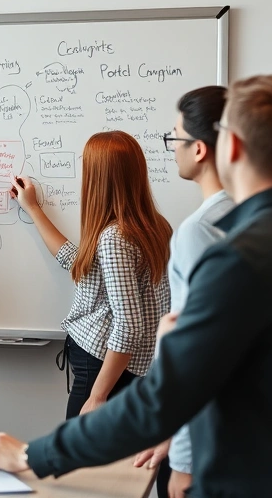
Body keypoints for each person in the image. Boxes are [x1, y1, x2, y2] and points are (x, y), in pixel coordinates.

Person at [0, 74, 272, 498]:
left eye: (176, 138)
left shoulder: (236, 257)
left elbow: (163, 398)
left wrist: (33, 455)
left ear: (224, 147)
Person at [11, 130, 171, 419]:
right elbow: (80, 263)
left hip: (103, 368)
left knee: (77, 458)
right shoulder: (156, 227)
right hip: (127, 369)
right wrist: (33, 208)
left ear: (99, 177)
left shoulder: (115, 238)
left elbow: (129, 325)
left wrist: (98, 397)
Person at [133, 86, 235, 498]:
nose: (171, 147)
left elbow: (198, 353)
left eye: (175, 136)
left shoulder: (200, 230)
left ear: (199, 149)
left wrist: (185, 460)